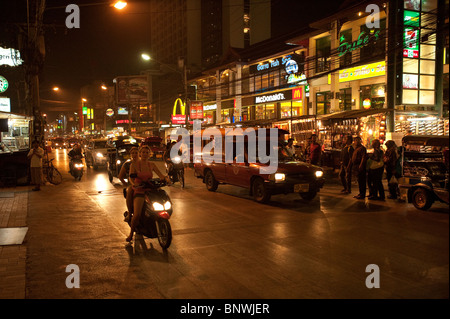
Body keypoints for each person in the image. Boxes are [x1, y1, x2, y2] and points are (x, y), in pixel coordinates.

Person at [126, 145, 171, 243]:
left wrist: (167, 179)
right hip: (139, 190)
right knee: (137, 214)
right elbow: (131, 177)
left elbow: (161, 175)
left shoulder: (152, 164)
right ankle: (131, 234)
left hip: (150, 188)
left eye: (147, 152)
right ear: (140, 153)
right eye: (143, 152)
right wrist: (134, 184)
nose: (145, 154)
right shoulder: (134, 164)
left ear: (149, 154)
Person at [119, 147, 139, 221]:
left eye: (136, 153)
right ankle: (130, 214)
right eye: (133, 153)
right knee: (130, 192)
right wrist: (126, 184)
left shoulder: (143, 163)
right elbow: (120, 176)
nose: (134, 155)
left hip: (141, 183)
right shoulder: (127, 164)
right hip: (131, 184)